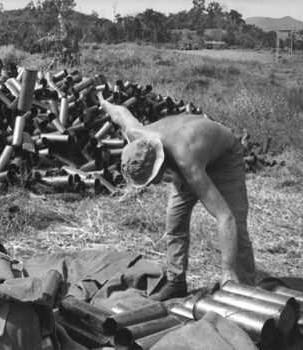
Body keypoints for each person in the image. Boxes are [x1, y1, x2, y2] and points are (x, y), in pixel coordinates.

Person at [99, 95, 256, 301]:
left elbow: (224, 216)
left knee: (236, 222)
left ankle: (243, 287)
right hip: (188, 152)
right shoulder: (136, 134)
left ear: (158, 162)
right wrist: (104, 103)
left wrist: (227, 269)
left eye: (151, 178)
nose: (153, 184)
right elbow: (120, 113)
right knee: (175, 222)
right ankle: (176, 282)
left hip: (223, 158)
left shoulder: (186, 160)